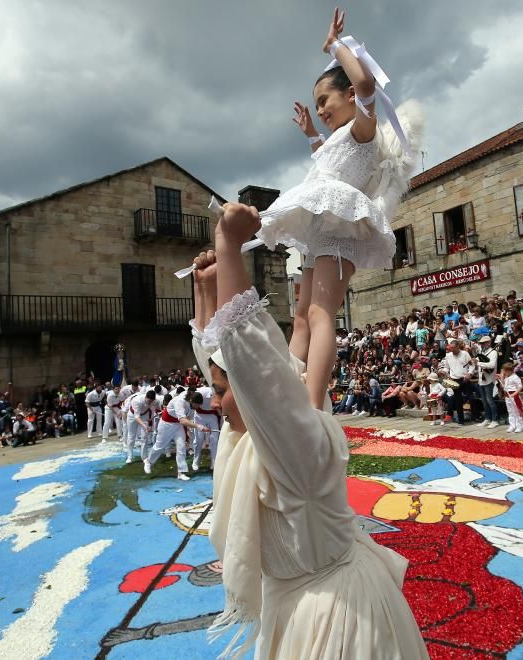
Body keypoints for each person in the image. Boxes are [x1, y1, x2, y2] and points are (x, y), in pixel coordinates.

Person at [187, 202, 428, 658]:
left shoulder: (295, 449)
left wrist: (231, 247)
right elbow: (229, 361)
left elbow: (253, 364)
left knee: (305, 324)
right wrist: (206, 289)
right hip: (303, 600)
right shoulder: (257, 435)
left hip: (335, 618)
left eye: (220, 391)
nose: (213, 402)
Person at [254, 8, 422, 412]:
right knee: (300, 317)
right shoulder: (341, 137)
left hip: (340, 226)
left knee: (319, 311)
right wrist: (313, 133)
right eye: (318, 103)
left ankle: (310, 404)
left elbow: (365, 81)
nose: (322, 109)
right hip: (318, 231)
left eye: (324, 100)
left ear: (349, 97)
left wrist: (334, 46)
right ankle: (289, 393)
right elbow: (329, 165)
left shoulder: (365, 129)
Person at [144, 393, 209, 481]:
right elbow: (183, 420)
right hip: (166, 424)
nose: (197, 407)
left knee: (181, 446)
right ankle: (148, 461)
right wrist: (199, 426)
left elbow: (188, 419)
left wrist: (200, 427)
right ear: (191, 401)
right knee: (159, 446)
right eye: (196, 405)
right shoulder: (180, 401)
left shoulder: (192, 405)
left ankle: (181, 472)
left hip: (178, 425)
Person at [500, 362, 523, 433]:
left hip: (514, 396)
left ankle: (519, 426)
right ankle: (512, 425)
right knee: (510, 411)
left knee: (517, 411)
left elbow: (520, 386)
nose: (503, 372)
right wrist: (501, 377)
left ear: (509, 371)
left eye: (504, 371)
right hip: (507, 396)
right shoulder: (506, 377)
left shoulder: (515, 377)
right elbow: (502, 386)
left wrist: (514, 394)